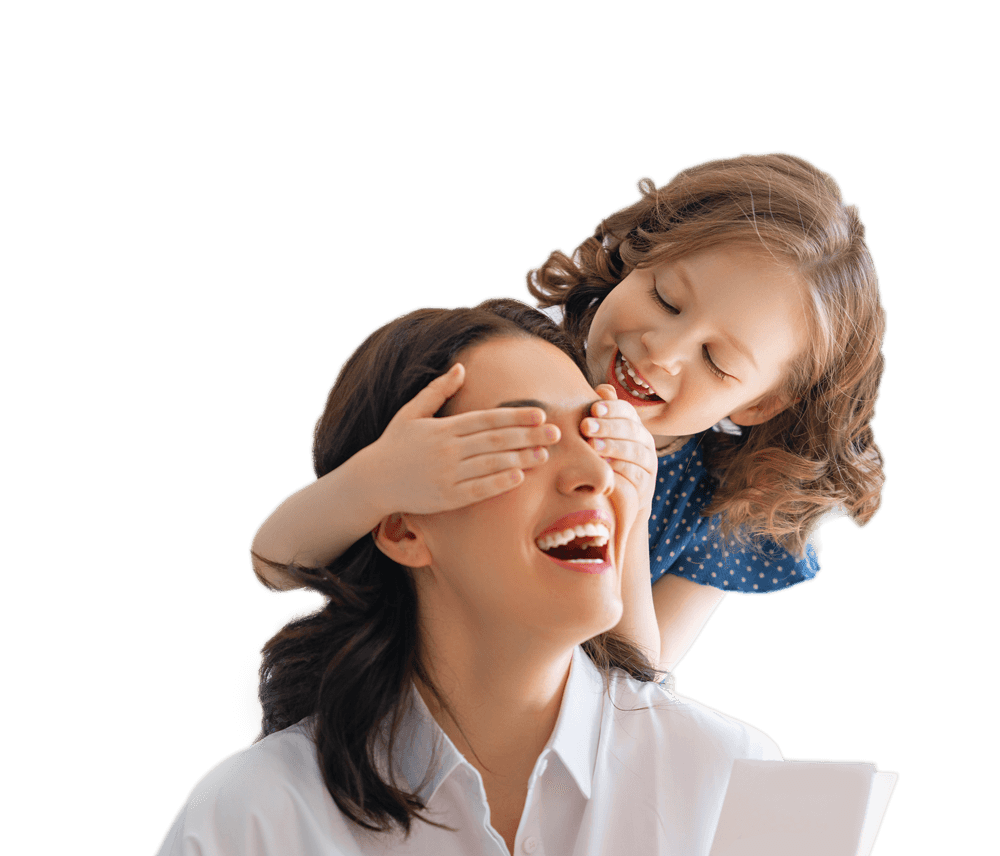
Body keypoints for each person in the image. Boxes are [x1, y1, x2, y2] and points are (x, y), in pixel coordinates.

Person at [104, 300, 888, 856]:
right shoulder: (251, 821)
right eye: (524, 440)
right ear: (403, 527)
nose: (590, 475)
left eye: (598, 435)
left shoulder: (728, 777)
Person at [247, 153, 886, 678]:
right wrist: (382, 477)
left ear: (759, 404)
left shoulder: (723, 510)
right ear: (635, 257)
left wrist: (628, 517)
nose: (660, 353)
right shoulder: (498, 373)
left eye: (717, 360)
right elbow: (276, 563)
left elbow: (638, 684)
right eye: (664, 299)